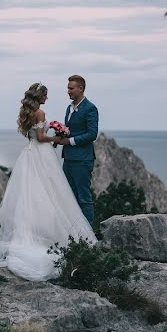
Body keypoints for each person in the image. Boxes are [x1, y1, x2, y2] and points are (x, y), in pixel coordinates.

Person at [0, 82, 97, 281]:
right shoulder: (41, 113)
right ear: (40, 96)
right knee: (52, 192)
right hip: (42, 153)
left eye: (71, 88)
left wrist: (59, 134)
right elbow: (41, 137)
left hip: (29, 153)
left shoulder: (27, 112)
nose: (48, 97)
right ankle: (64, 234)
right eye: (46, 94)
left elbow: (33, 136)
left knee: (32, 194)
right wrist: (56, 138)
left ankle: (37, 230)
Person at [52, 74, 98, 225]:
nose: (68, 91)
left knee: (84, 198)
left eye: (71, 88)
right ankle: (73, 233)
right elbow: (71, 130)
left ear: (80, 89)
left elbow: (92, 134)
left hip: (82, 159)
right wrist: (60, 135)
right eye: (68, 88)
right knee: (69, 197)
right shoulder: (69, 108)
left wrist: (69, 141)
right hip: (69, 158)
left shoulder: (90, 108)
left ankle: (88, 237)